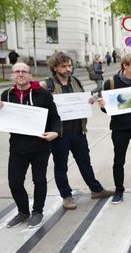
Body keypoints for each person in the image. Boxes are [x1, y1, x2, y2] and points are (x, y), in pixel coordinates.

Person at [0, 64, 61, 228]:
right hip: (17, 146)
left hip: (40, 145)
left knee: (39, 180)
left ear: (30, 75)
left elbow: (55, 118)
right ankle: (23, 212)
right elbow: (4, 120)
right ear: (12, 76)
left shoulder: (43, 94)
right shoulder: (6, 95)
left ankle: (37, 211)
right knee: (14, 182)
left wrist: (55, 133)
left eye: (24, 72)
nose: (20, 74)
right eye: (17, 72)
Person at [44, 51, 114, 210]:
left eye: (70, 66)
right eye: (64, 66)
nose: (68, 69)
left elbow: (81, 100)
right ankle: (66, 196)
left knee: (84, 162)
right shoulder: (46, 85)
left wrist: (87, 100)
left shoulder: (75, 81)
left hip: (78, 130)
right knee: (61, 166)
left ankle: (96, 189)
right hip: (59, 133)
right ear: (55, 67)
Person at [99, 53, 131, 202]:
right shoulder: (111, 83)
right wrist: (103, 107)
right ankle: (119, 191)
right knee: (118, 161)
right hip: (120, 129)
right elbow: (107, 110)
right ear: (125, 66)